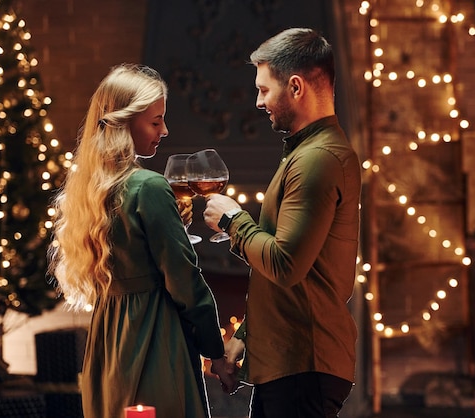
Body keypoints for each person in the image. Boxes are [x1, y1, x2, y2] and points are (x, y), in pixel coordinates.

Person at [48, 63, 235, 418]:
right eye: (155, 121)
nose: (165, 130)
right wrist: (216, 353)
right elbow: (185, 281)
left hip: (107, 343)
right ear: (124, 122)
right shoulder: (148, 186)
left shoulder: (88, 187)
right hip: (152, 340)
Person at [203, 28, 361, 417]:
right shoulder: (306, 154)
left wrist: (232, 220)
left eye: (264, 89)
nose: (259, 101)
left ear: (295, 87)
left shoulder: (316, 160)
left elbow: (285, 264)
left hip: (303, 364)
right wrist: (242, 339)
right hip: (291, 364)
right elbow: (289, 282)